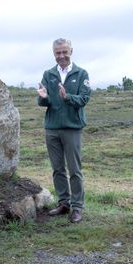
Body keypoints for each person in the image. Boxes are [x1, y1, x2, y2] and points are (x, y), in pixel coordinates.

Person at [37, 38, 91, 223]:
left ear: (71, 51)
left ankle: (77, 207)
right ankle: (63, 203)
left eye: (64, 52)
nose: (61, 56)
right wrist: (43, 98)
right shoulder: (48, 74)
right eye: (58, 52)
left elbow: (84, 99)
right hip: (52, 128)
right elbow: (44, 102)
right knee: (57, 169)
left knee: (75, 170)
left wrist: (67, 97)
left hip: (72, 128)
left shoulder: (81, 73)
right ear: (54, 53)